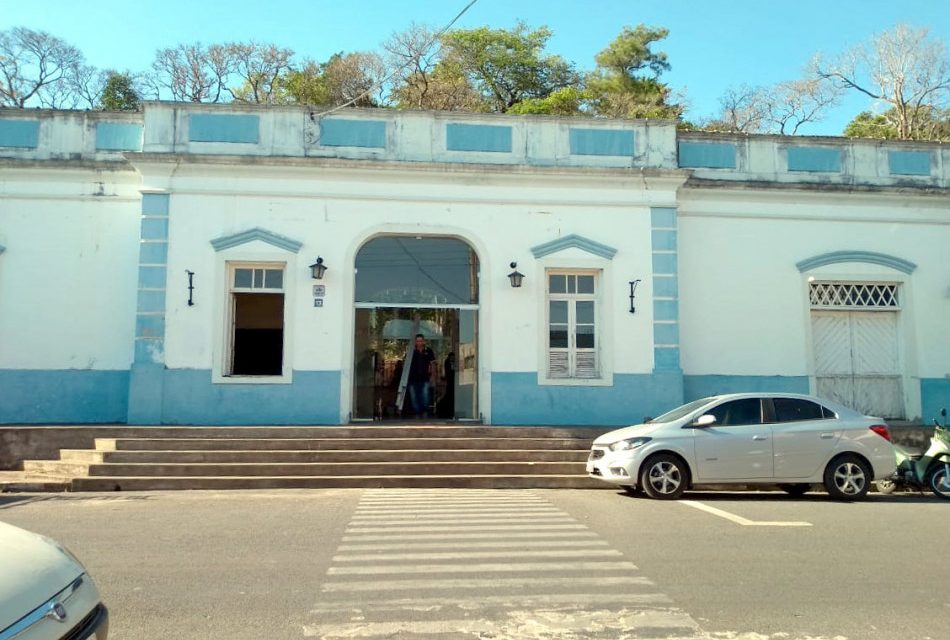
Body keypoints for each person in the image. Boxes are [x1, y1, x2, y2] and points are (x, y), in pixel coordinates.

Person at [406, 333, 435, 419]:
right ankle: (417, 414)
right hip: (412, 378)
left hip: (425, 378)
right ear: (415, 342)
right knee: (414, 397)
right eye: (417, 341)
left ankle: (425, 412)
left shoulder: (428, 351)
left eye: (421, 341)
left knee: (425, 396)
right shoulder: (411, 351)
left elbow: (433, 364)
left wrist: (433, 376)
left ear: (424, 341)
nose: (419, 343)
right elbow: (406, 365)